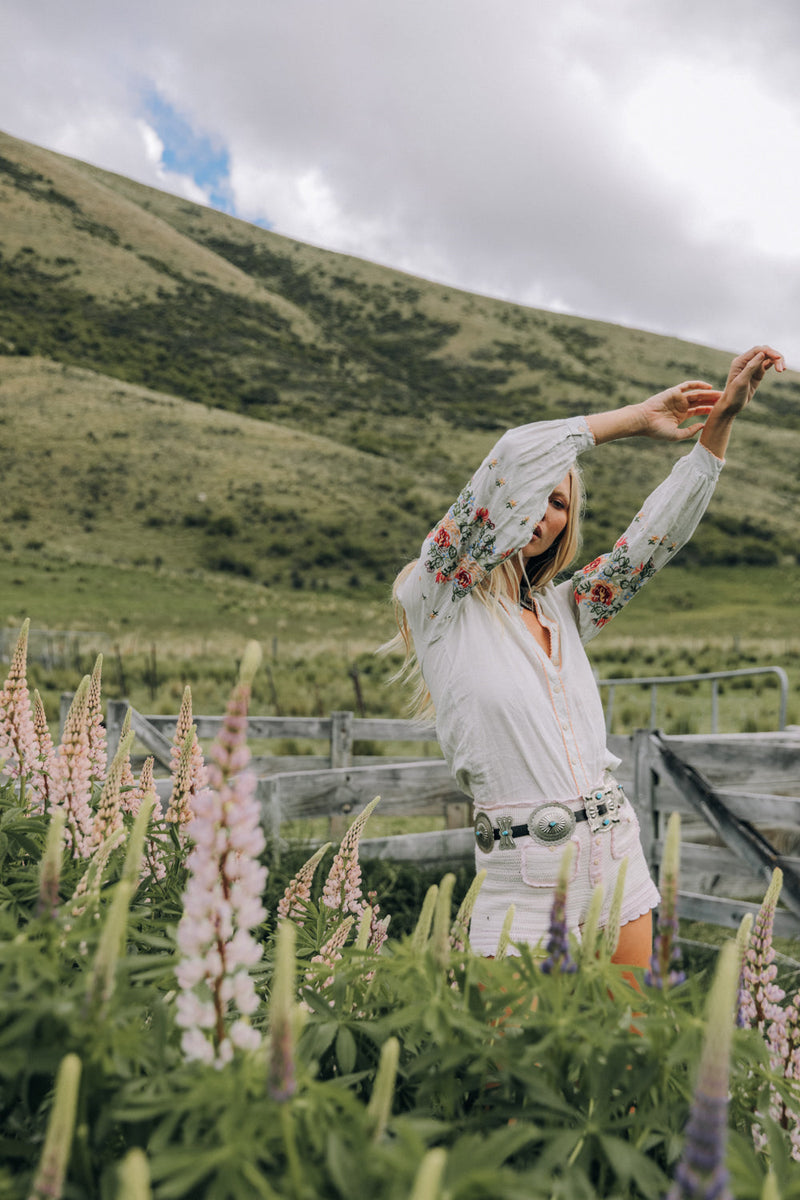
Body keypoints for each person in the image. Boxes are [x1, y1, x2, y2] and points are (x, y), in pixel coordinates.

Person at [390, 345, 785, 967]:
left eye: (559, 504)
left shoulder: (566, 608)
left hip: (615, 850)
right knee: (510, 1065)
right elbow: (516, 455)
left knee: (625, 1056)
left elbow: (654, 539)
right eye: (533, 498)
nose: (541, 514)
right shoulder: (437, 597)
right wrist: (638, 418)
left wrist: (720, 423)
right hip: (522, 873)